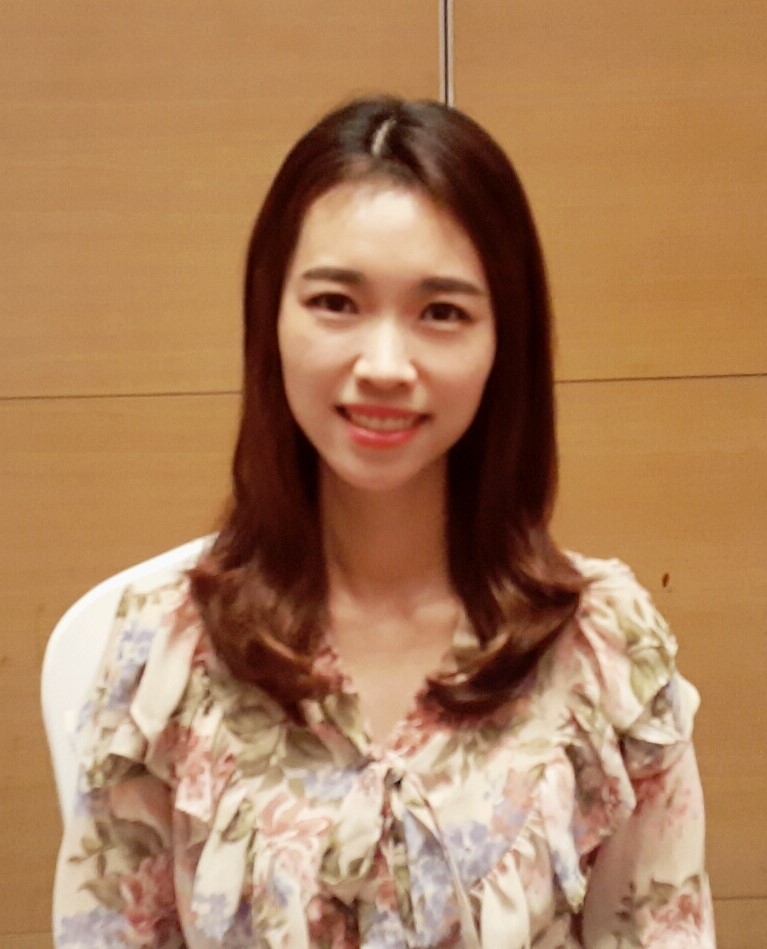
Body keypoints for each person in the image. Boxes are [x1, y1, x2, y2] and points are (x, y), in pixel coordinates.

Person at [53, 96, 715, 947]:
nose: (385, 365)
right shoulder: (163, 652)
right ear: (270, 318)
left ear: (502, 343)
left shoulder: (605, 657)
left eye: (441, 312)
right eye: (336, 302)